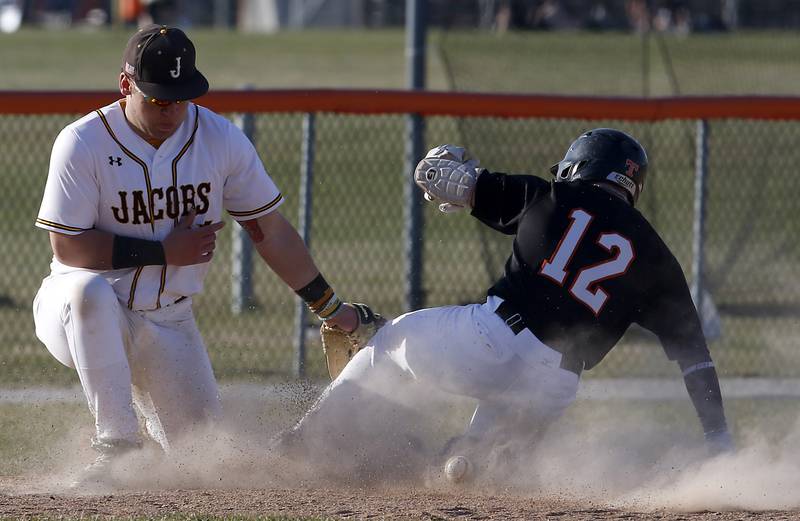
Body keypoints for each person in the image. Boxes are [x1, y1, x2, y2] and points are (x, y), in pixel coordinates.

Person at [275, 129, 732, 485]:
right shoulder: (657, 258)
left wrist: (443, 173)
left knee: (392, 338)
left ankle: (308, 437)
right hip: (554, 385)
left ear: (579, 167)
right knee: (473, 460)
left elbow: (443, 178)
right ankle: (467, 459)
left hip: (491, 341)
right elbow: (696, 360)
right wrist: (718, 438)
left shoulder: (553, 195)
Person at [32, 24, 373, 488]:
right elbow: (67, 246)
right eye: (157, 98)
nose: (170, 109)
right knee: (88, 293)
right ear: (125, 84)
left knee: (208, 464)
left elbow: (269, 231)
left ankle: (152, 446)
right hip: (80, 311)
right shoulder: (83, 142)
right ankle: (116, 446)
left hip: (169, 322)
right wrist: (161, 251)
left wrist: (329, 307)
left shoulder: (218, 139)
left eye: (180, 96)